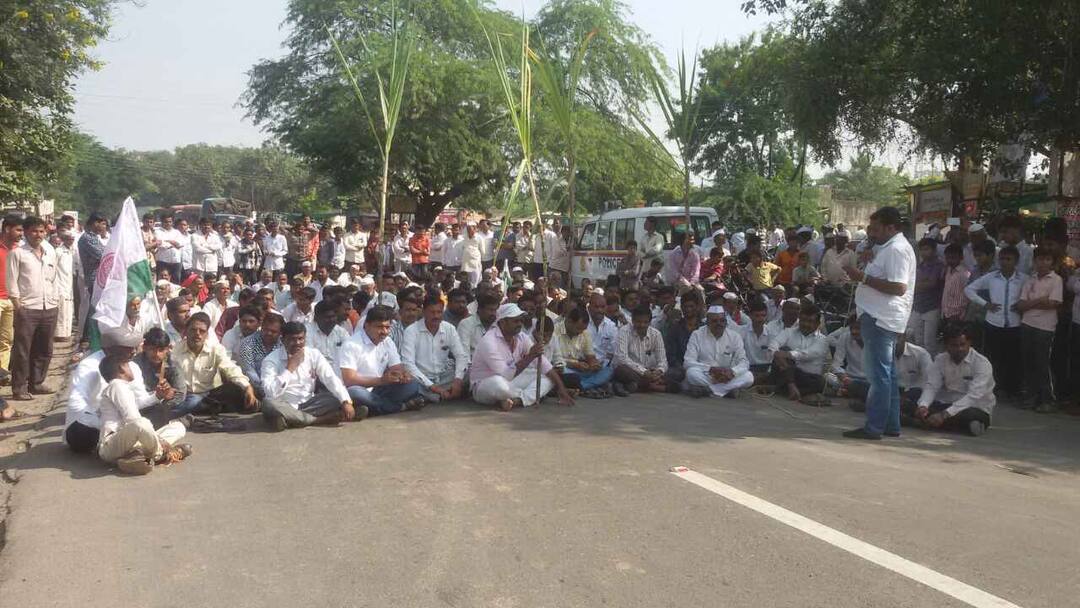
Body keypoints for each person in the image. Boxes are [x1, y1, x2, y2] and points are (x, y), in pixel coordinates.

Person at [842, 206, 917, 440]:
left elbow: (898, 287)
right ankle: (890, 424)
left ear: (891, 227)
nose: (872, 233)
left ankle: (874, 426)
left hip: (881, 318)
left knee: (878, 376)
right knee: (888, 374)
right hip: (878, 316)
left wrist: (861, 277)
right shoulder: (888, 248)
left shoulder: (896, 249)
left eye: (876, 229)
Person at [95, 355, 192, 475]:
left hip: (130, 442)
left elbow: (137, 405)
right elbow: (132, 418)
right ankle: (160, 455)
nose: (131, 368)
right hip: (111, 445)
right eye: (128, 365)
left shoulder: (122, 387)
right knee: (141, 423)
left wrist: (158, 396)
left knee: (178, 427)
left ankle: (135, 457)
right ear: (121, 369)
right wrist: (161, 441)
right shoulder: (117, 385)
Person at [469, 303, 575, 411]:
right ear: (503, 322)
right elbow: (506, 375)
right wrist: (530, 356)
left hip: (512, 381)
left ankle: (517, 400)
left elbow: (544, 365)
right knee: (500, 385)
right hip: (485, 385)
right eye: (515, 321)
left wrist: (562, 389)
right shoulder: (489, 341)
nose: (520, 324)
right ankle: (527, 395)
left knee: (547, 377)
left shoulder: (521, 337)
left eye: (520, 320)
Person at [261, 322, 359, 431]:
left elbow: (330, 378)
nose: (297, 343)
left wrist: (345, 402)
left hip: (310, 404)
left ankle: (290, 420)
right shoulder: (271, 360)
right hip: (284, 405)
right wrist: (290, 368)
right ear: (282, 339)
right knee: (268, 404)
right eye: (292, 339)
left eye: (301, 339)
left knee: (339, 397)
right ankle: (318, 420)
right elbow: (270, 392)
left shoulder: (313, 354)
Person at [906, 325, 994, 436]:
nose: (959, 349)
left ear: (969, 343)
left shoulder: (982, 363)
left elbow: (973, 396)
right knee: (912, 400)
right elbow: (932, 386)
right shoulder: (940, 359)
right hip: (945, 404)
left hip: (973, 407)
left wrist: (944, 415)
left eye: (962, 345)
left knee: (971, 416)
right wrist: (923, 406)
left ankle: (923, 422)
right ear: (946, 345)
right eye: (954, 345)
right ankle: (952, 425)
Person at [7, 216, 60, 401]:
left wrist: (56, 300)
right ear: (27, 232)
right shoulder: (18, 254)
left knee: (45, 348)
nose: (38, 235)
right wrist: (18, 305)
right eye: (34, 231)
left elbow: (54, 278)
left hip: (49, 306)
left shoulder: (50, 251)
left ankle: (37, 383)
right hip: (28, 308)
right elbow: (11, 282)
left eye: (42, 231)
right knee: (23, 350)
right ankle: (19, 388)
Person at [964, 246, 1027, 399]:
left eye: (1009, 259)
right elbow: (969, 289)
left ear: (1016, 261)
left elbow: (1030, 293)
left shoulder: (1024, 278)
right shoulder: (991, 277)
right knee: (994, 358)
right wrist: (985, 304)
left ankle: (1012, 390)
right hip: (994, 322)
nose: (1005, 262)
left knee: (1013, 358)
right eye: (1002, 259)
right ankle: (994, 389)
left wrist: (1022, 305)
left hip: (1014, 323)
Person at [339, 305, 425, 415]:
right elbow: (349, 380)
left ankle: (372, 408)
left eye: (387, 327)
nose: (384, 331)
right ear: (367, 325)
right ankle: (401, 407)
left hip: (379, 389)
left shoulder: (387, 341)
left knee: (413, 385)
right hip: (360, 389)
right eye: (379, 327)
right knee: (355, 392)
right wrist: (381, 380)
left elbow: (397, 368)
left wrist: (402, 376)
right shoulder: (351, 344)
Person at [171, 312, 259, 420]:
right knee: (193, 401)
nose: (197, 334)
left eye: (202, 331)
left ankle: (204, 407)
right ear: (186, 332)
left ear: (207, 334)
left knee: (240, 389)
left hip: (209, 394)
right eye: (193, 330)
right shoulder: (175, 352)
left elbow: (230, 368)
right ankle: (166, 416)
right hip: (185, 395)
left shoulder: (216, 349)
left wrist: (247, 387)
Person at [1016, 248, 1063, 412]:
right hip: (1027, 324)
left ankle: (1048, 400)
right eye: (1039, 259)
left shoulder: (1056, 280)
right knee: (1028, 362)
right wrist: (1040, 300)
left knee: (1043, 364)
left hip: (1045, 327)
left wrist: (1032, 303)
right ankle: (1031, 397)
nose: (1043, 263)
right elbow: (1020, 305)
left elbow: (1053, 303)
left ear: (1053, 262)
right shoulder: (1030, 280)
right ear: (1034, 261)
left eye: (1047, 259)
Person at [401, 294, 469, 403]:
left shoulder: (449, 328)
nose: (436, 316)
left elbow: (461, 356)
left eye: (439, 312)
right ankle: (436, 395)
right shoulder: (411, 331)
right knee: (409, 383)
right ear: (423, 312)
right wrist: (433, 387)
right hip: (421, 380)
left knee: (470, 373)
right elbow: (408, 364)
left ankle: (433, 396)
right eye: (432, 312)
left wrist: (457, 380)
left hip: (444, 377)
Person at [684, 306, 754, 398]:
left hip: (727, 377)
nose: (719, 324)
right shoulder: (697, 335)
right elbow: (688, 362)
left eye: (722, 321)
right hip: (707, 375)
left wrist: (733, 372)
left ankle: (710, 390)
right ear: (707, 322)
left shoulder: (735, 337)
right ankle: (727, 390)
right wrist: (710, 369)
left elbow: (744, 362)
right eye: (714, 321)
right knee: (691, 373)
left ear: (726, 322)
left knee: (749, 376)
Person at [768, 304, 831, 404]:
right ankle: (791, 387)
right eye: (803, 320)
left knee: (821, 382)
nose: (805, 324)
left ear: (817, 324)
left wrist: (786, 354)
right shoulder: (789, 332)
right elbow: (773, 344)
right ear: (799, 319)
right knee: (783, 351)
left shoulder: (823, 340)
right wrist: (776, 353)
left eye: (810, 321)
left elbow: (807, 354)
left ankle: (779, 389)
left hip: (806, 378)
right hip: (785, 373)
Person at [553, 307, 617, 398]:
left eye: (582, 329)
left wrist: (594, 365)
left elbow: (590, 356)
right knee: (562, 372)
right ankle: (588, 386)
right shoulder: (555, 331)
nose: (580, 332)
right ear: (569, 321)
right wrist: (574, 365)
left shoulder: (584, 333)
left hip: (580, 371)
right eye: (578, 328)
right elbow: (552, 359)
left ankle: (581, 387)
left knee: (608, 371)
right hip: (565, 369)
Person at [613, 305, 668, 393]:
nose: (642, 325)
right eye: (638, 322)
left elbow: (663, 360)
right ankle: (652, 386)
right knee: (621, 370)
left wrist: (659, 371)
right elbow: (622, 358)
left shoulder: (656, 334)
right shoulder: (624, 331)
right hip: (632, 370)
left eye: (645, 322)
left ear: (650, 322)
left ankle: (639, 385)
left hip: (650, 371)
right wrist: (644, 372)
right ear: (632, 320)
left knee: (676, 374)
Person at [907, 238, 945, 354]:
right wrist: (921, 284)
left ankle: (931, 369)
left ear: (934, 250)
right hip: (918, 306)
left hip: (932, 307)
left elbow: (931, 284)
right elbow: (912, 283)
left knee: (929, 342)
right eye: (921, 250)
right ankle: (920, 368)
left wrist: (916, 286)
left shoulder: (939, 265)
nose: (923, 252)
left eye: (926, 249)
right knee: (917, 340)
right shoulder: (920, 266)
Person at [237, 313, 283, 396]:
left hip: (279, 389)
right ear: (261, 327)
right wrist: (266, 392)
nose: (268, 333)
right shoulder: (247, 344)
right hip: (255, 391)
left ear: (280, 333)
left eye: (273, 331)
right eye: (265, 329)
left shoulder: (283, 345)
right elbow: (250, 373)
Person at [826, 314, 868, 402]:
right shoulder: (845, 337)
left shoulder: (876, 341)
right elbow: (836, 365)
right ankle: (852, 392)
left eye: (857, 328)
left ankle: (850, 392)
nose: (854, 332)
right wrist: (844, 378)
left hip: (869, 381)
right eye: (851, 328)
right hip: (850, 379)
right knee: (827, 377)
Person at [741, 298, 776, 383]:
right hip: (747, 368)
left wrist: (767, 373)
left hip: (766, 369)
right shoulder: (741, 332)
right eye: (757, 316)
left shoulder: (772, 333)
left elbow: (774, 356)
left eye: (763, 315)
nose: (760, 319)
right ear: (750, 316)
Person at [457, 292, 499, 356]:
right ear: (479, 309)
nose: (493, 314)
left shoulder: (498, 325)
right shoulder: (466, 324)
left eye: (495, 310)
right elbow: (463, 354)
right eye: (490, 310)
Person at [940, 243, 970, 324]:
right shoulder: (949, 270)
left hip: (956, 315)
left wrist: (958, 314)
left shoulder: (964, 274)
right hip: (946, 313)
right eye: (947, 258)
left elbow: (966, 297)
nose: (950, 260)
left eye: (953, 258)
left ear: (961, 257)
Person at [585, 292, 618, 366]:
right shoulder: (581, 322)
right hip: (582, 364)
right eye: (596, 307)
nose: (599, 310)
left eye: (603, 307)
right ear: (589, 307)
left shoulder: (611, 326)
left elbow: (612, 352)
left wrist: (603, 364)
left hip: (602, 366)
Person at [153, 213, 186, 284]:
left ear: (172, 222)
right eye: (166, 222)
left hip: (176, 261)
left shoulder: (176, 232)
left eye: (170, 221)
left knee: (176, 281)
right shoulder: (157, 232)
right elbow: (161, 244)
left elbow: (180, 244)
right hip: (162, 261)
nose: (168, 223)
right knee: (162, 281)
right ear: (162, 222)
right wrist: (173, 243)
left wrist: (168, 241)